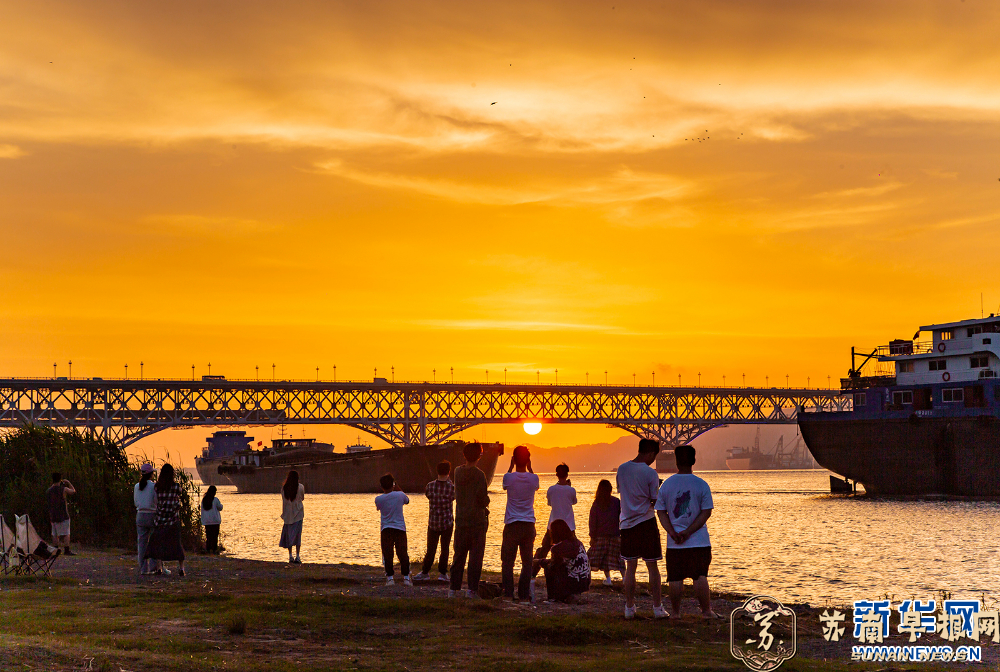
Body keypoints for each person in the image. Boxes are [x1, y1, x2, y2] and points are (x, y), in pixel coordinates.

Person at [655, 444, 720, 619]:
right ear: (693, 461)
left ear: (676, 462)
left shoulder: (666, 485)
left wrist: (673, 532)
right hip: (699, 541)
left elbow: (661, 512)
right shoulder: (702, 484)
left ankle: (675, 613)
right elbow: (706, 512)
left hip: (674, 542)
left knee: (675, 578)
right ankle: (706, 611)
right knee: (700, 576)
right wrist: (689, 532)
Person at [616, 438, 667, 620]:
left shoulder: (622, 469)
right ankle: (657, 607)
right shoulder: (650, 473)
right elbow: (655, 500)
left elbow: (623, 491)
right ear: (651, 454)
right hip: (646, 522)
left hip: (627, 524)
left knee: (631, 567)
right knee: (652, 566)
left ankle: (629, 608)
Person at [449, 442, 490, 598]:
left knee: (458, 556)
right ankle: (471, 590)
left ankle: (453, 589)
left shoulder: (457, 472)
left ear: (464, 455)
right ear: (479, 456)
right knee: (475, 558)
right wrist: (487, 501)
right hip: (477, 522)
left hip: (461, 520)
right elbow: (482, 499)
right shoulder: (480, 475)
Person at [501, 445, 539, 601]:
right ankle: (523, 594)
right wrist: (530, 469)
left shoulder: (508, 477)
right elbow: (534, 484)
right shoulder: (534, 478)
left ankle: (508, 594)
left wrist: (510, 467)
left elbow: (505, 485)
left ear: (514, 459)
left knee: (507, 562)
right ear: (528, 460)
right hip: (528, 524)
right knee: (527, 562)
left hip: (512, 524)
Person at [413, 461, 455, 582]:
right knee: (445, 548)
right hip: (447, 522)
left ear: (437, 471)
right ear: (449, 471)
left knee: (431, 548)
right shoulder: (451, 487)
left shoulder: (430, 486)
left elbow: (428, 495)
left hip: (433, 522)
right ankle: (442, 573)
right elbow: (454, 497)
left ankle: (425, 571)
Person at [145, 463, 186, 577]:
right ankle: (181, 568)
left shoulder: (158, 486)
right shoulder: (176, 487)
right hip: (173, 519)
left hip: (160, 519)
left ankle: (159, 568)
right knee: (177, 544)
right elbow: (180, 492)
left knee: (159, 544)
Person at [536, 519, 591, 603]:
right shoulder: (578, 543)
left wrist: (539, 562)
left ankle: (553, 597)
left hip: (573, 583)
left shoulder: (557, 548)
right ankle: (571, 594)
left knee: (549, 568)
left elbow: (553, 564)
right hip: (585, 582)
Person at [375, 473, 411, 586]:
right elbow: (407, 500)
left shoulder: (379, 499)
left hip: (386, 529)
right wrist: (397, 487)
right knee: (402, 553)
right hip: (400, 528)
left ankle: (390, 578)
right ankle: (406, 577)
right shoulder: (400, 495)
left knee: (387, 553)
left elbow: (379, 508)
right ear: (393, 485)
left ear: (381, 486)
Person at [587, 478, 623, 586]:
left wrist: (592, 536)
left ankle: (607, 579)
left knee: (592, 558)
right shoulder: (617, 502)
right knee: (619, 558)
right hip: (615, 535)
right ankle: (625, 578)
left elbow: (592, 521)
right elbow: (622, 517)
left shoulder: (597, 503)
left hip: (601, 536)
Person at [134, 463, 158, 574]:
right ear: (151, 474)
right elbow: (156, 501)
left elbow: (136, 502)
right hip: (152, 515)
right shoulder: (154, 486)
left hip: (140, 515)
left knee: (142, 544)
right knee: (154, 543)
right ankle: (153, 568)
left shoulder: (136, 486)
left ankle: (143, 569)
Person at [46, 472, 76, 556]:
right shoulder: (63, 489)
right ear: (60, 479)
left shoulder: (49, 491)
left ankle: (55, 549)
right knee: (66, 533)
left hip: (53, 514)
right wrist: (68, 483)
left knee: (55, 533)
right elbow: (73, 491)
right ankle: (66, 550)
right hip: (63, 514)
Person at [280, 470, 305, 564]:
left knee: (289, 535)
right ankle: (298, 556)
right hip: (298, 514)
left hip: (287, 515)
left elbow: (284, 499)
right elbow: (302, 498)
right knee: (298, 535)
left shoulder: (284, 488)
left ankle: (290, 556)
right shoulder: (301, 487)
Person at [201, 485, 223, 555]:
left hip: (207, 521)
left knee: (209, 536)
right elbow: (220, 507)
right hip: (215, 521)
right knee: (214, 536)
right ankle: (214, 550)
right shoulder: (215, 500)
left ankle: (208, 549)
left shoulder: (204, 500)